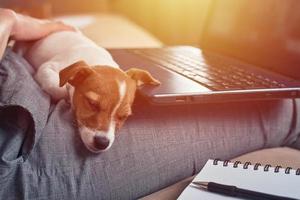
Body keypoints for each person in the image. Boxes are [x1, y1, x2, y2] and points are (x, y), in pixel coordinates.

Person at [0, 9, 299, 200]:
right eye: (93, 105)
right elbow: (51, 73)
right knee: (288, 108)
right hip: (16, 129)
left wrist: (11, 20)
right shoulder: (72, 72)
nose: (107, 133)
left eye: (122, 118)